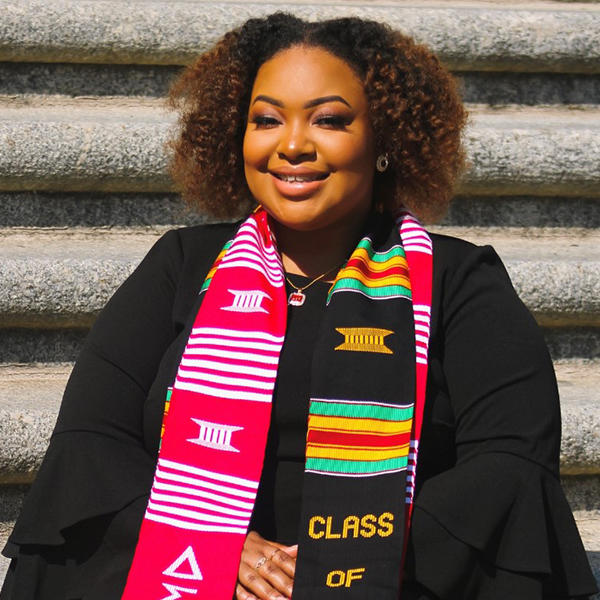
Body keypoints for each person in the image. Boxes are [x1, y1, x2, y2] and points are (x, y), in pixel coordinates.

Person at [1, 12, 597, 600]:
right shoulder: (183, 266)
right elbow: (92, 440)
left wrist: (345, 558)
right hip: (188, 570)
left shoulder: (458, 281)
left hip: (392, 576)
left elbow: (510, 463)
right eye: (266, 120)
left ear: (383, 140)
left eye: (329, 120)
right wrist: (215, 545)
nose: (291, 145)